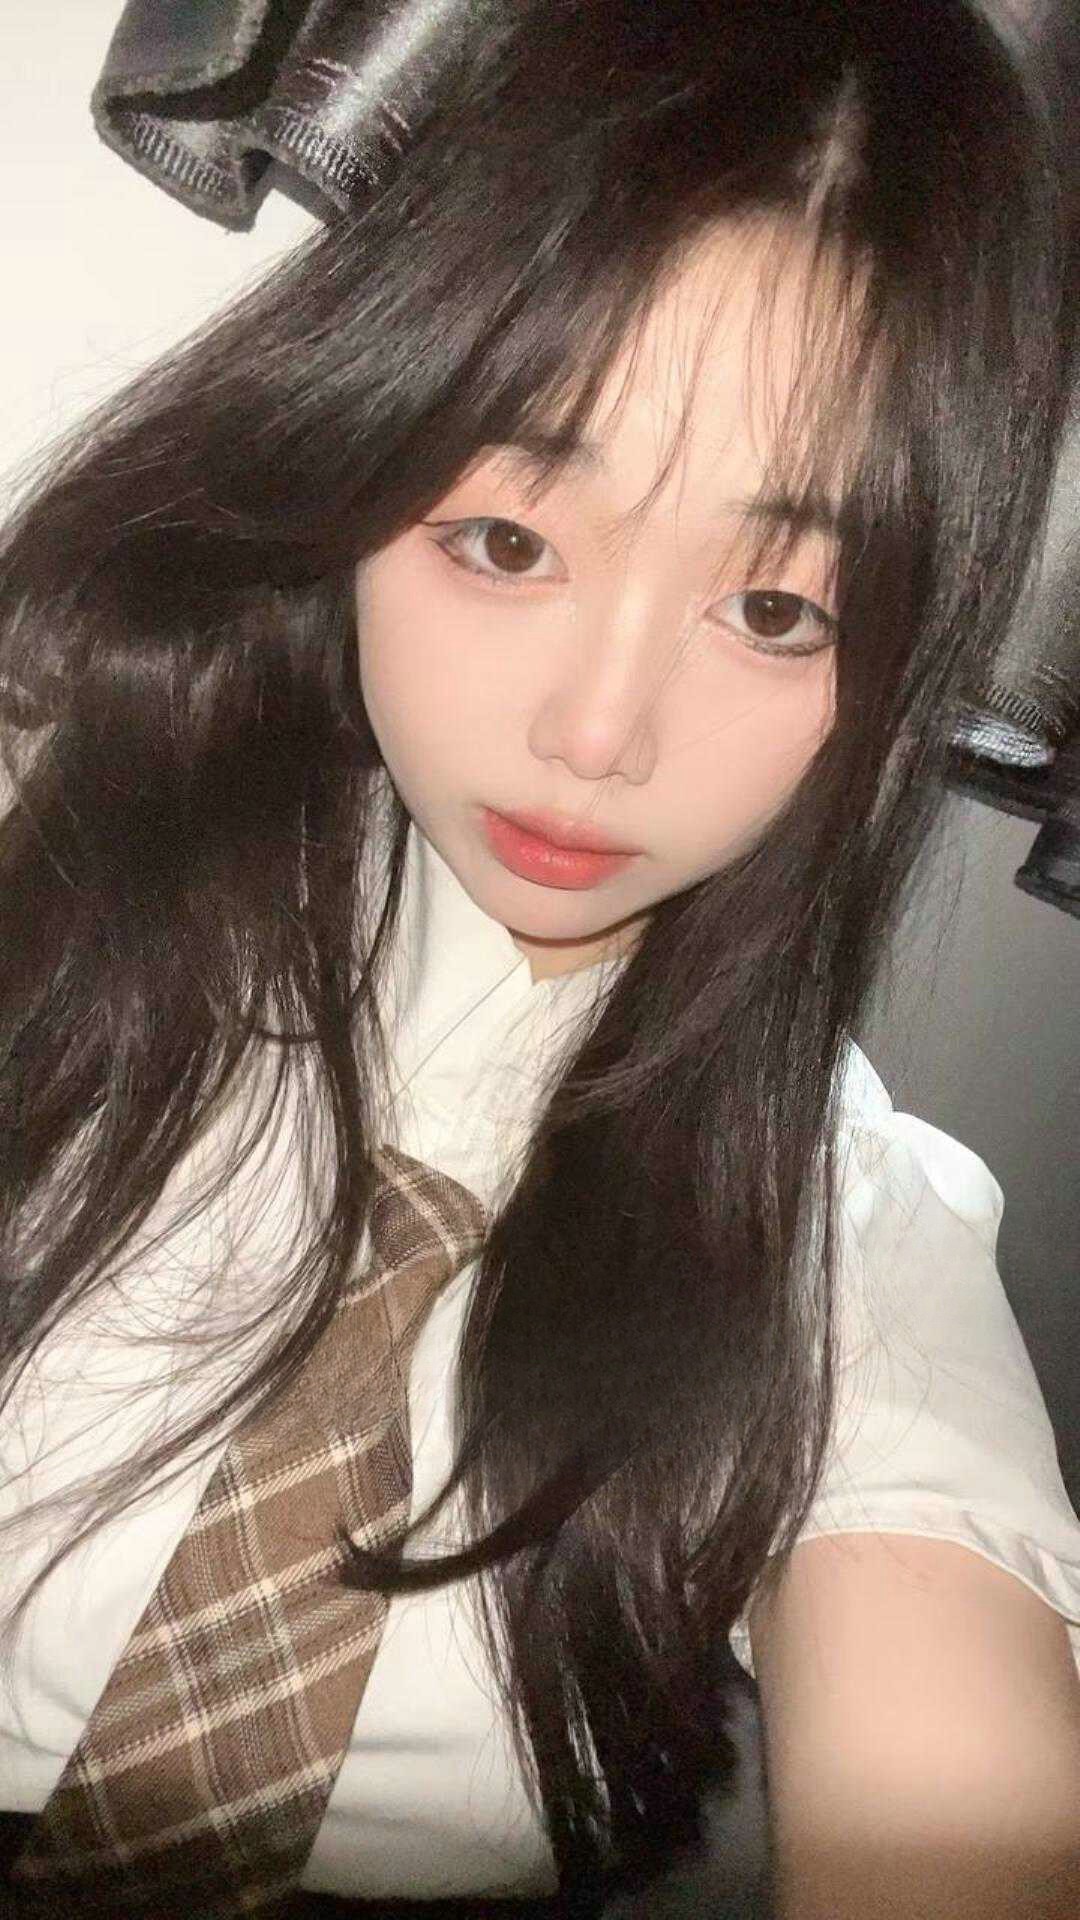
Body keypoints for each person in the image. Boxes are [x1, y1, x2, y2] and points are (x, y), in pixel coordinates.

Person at [0, 3, 1079, 1916]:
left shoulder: (843, 1242)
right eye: (507, 539)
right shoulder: (55, 876)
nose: (599, 733)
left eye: (776, 609)